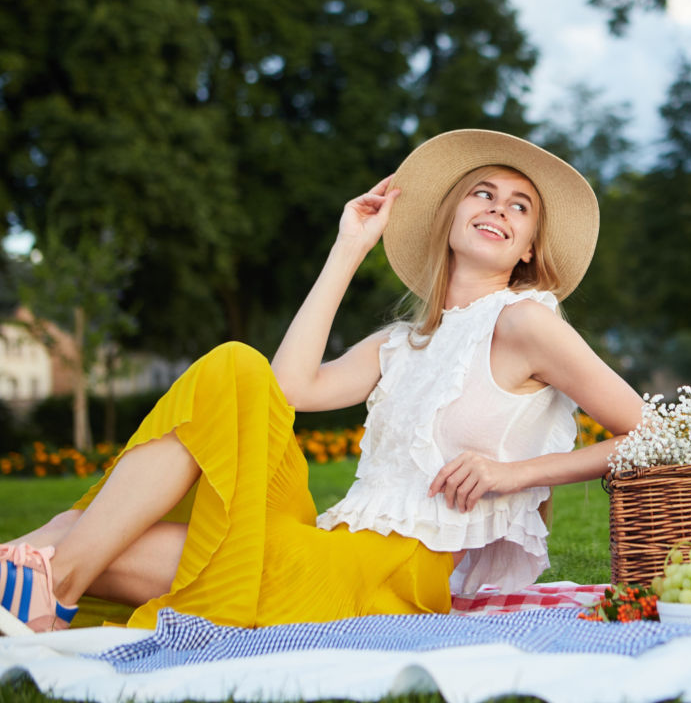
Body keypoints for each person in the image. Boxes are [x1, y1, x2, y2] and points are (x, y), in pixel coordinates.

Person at [0, 129, 645, 635]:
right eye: (483, 193)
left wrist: (514, 475)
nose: (499, 209)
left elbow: (654, 434)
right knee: (233, 365)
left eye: (520, 206)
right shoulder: (402, 343)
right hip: (327, 540)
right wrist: (349, 246)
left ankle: (47, 586)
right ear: (449, 217)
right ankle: (44, 587)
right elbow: (286, 391)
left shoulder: (526, 322)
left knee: (84, 534)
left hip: (396, 575)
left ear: (529, 247)